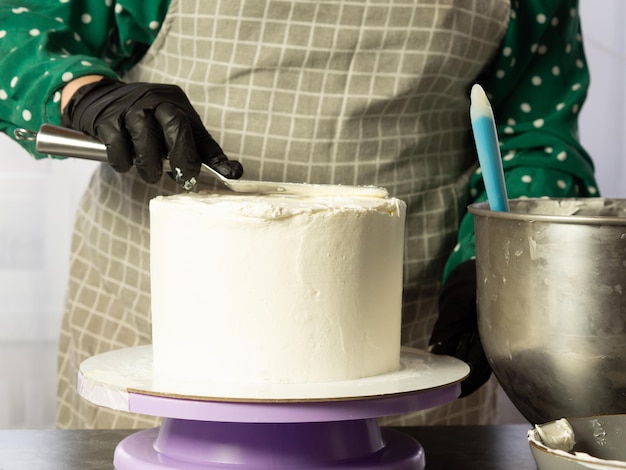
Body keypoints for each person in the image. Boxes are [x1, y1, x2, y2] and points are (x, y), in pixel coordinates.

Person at [0, 0, 598, 429]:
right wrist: (84, 91)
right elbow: (17, 26)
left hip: (404, 342)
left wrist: (492, 264)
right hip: (150, 322)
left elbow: (533, 137)